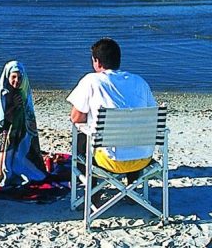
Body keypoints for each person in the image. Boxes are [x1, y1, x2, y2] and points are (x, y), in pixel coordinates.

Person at [67, 38, 157, 197]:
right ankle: (132, 190)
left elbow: (75, 118)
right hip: (143, 158)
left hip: (108, 161)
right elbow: (153, 117)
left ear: (97, 61)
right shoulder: (139, 82)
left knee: (82, 136)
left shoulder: (91, 80)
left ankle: (94, 194)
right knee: (131, 130)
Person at [0, 60, 46, 186]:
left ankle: (12, 166)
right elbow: (1, 115)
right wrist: (13, 106)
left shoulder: (22, 91)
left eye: (19, 77)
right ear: (7, 76)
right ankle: (0, 172)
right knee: (3, 147)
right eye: (13, 77)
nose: (17, 81)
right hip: (4, 128)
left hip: (19, 127)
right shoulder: (3, 93)